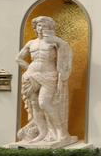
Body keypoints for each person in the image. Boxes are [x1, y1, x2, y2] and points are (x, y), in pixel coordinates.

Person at [16, 16, 73, 144]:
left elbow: (66, 52)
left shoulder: (55, 42)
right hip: (31, 75)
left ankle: (62, 133)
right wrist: (29, 69)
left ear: (50, 28)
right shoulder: (31, 43)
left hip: (49, 75)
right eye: (40, 26)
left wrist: (58, 43)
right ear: (35, 28)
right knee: (35, 106)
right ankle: (42, 133)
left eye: (45, 26)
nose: (42, 28)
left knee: (44, 103)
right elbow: (18, 58)